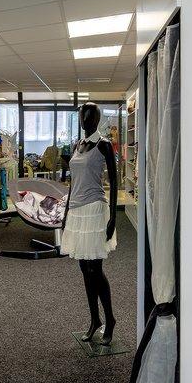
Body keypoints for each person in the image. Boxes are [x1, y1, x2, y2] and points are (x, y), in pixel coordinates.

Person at [60, 103, 120, 345]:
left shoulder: (104, 145)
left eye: (90, 116)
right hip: (76, 211)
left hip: (95, 210)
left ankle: (110, 319)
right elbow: (73, 183)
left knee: (96, 268)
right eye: (83, 116)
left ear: (97, 119)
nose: (86, 120)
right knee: (84, 269)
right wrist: (65, 213)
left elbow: (114, 181)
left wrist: (113, 217)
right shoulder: (78, 145)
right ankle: (95, 320)